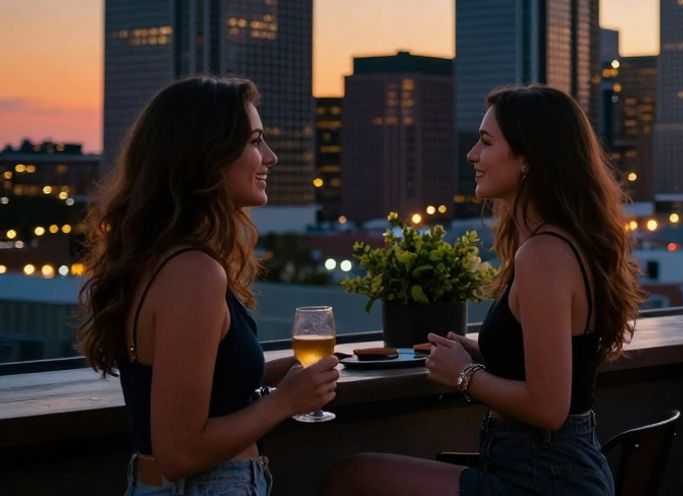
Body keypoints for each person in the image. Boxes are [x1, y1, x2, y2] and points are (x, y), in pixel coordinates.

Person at [326, 85, 646, 495]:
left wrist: (463, 374)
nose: (472, 155)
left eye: (486, 142)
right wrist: (484, 354)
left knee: (354, 478)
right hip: (548, 470)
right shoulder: (561, 243)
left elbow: (549, 409)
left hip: (544, 479)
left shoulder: (544, 254)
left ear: (528, 158)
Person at [77, 76, 339, 495]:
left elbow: (192, 387)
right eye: (255, 141)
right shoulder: (193, 273)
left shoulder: (161, 259)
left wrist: (283, 375)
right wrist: (287, 401)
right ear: (207, 157)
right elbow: (180, 452)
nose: (269, 157)